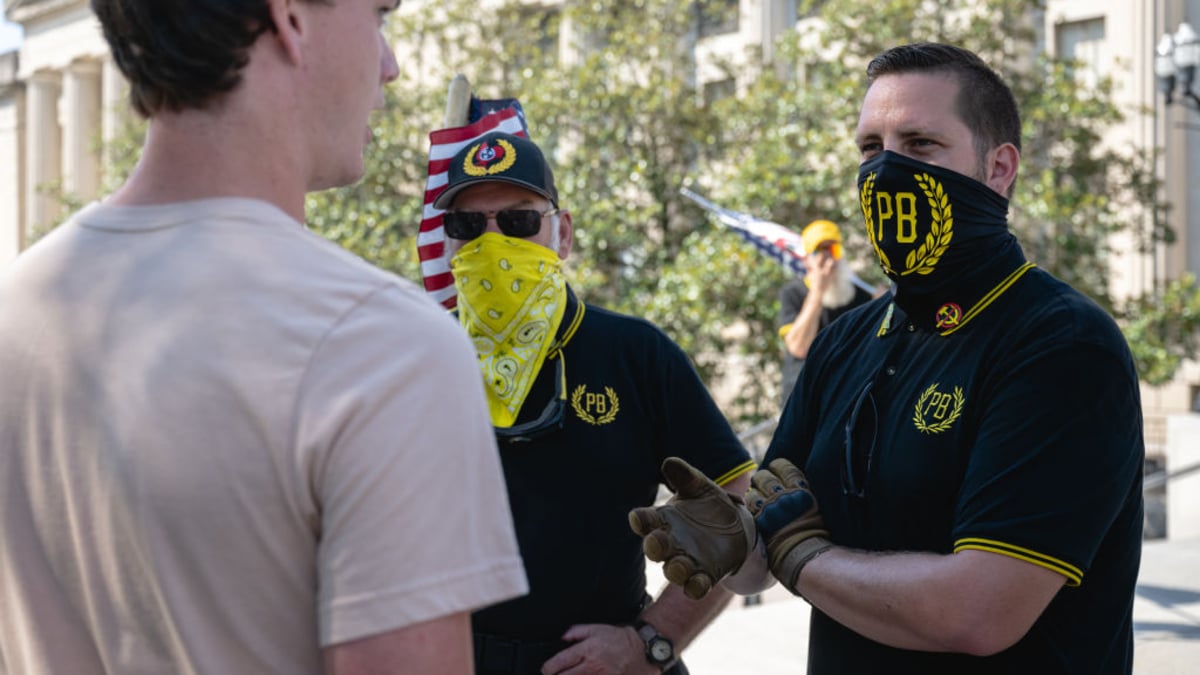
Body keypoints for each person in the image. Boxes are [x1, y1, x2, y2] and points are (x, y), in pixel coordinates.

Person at [0, 2, 528, 674]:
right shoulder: (383, 350)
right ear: (291, 17)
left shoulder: (14, 313)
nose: (389, 66)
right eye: (379, 16)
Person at [630, 42, 1144, 674]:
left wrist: (802, 556)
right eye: (871, 148)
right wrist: (733, 541)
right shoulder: (846, 340)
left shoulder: (1062, 345)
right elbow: (766, 547)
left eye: (920, 144)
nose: (886, 170)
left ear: (999, 168)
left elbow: (977, 613)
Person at [433, 130, 756, 675]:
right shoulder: (419, 358)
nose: (493, 243)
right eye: (468, 226)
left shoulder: (635, 353)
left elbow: (736, 503)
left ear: (561, 233)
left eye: (517, 221)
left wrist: (654, 641)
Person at [777, 219, 874, 404]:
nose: (828, 258)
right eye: (819, 252)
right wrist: (818, 291)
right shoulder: (793, 293)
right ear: (806, 260)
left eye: (833, 250)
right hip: (805, 401)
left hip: (847, 400)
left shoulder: (861, 295)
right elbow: (798, 348)